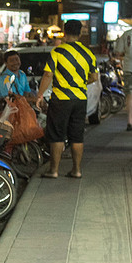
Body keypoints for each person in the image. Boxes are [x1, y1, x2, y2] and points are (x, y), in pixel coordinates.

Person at [36, 19, 97, 179]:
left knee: (57, 134)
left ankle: (53, 170)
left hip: (60, 99)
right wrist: (80, 83)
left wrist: (40, 94)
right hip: (80, 99)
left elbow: (48, 74)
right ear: (80, 32)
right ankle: (77, 170)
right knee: (77, 135)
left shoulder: (57, 52)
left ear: (64, 31)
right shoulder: (88, 53)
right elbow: (94, 77)